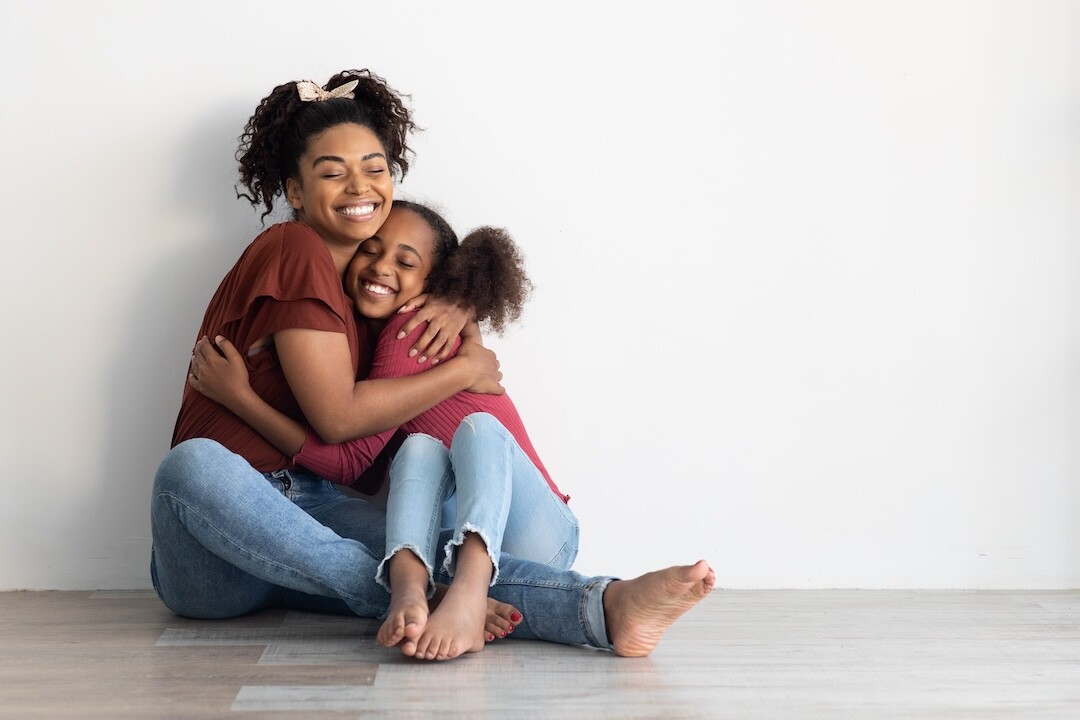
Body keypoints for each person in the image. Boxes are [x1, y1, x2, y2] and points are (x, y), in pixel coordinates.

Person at [152, 67, 715, 663]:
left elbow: (356, 450)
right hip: (220, 544)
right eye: (331, 171)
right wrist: (466, 367)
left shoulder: (372, 310)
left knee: (423, 548)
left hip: (316, 514)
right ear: (294, 191)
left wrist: (459, 303)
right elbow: (341, 419)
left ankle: (605, 608)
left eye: (374, 167)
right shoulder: (295, 249)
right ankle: (417, 593)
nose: (358, 185)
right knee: (192, 466)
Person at [189, 200, 579, 660]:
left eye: (405, 261)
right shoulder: (379, 335)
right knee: (420, 450)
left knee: (478, 429)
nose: (380, 266)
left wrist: (241, 400)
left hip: (536, 534)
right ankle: (422, 589)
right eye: (370, 250)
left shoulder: (407, 334)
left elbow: (348, 460)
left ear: (433, 284)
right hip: (468, 537)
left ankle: (467, 594)